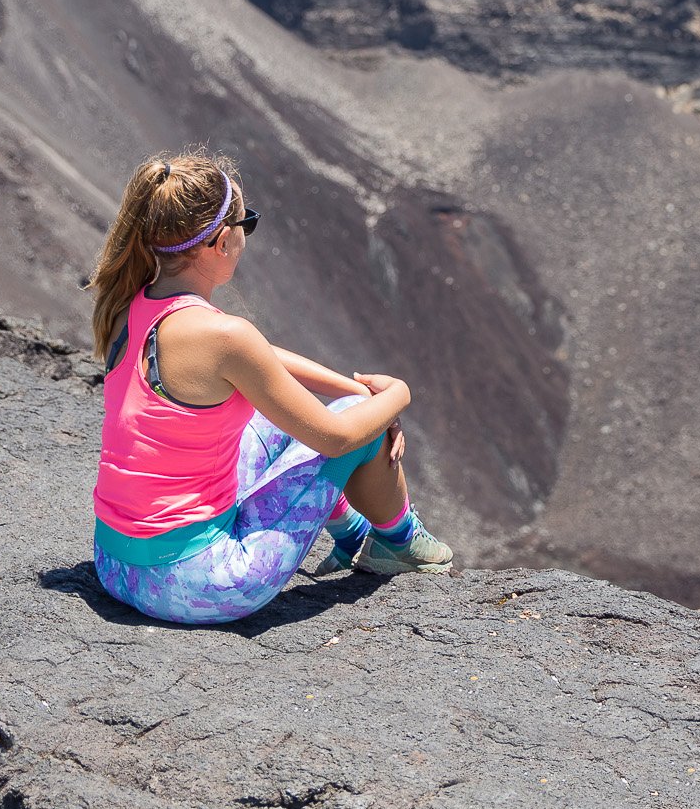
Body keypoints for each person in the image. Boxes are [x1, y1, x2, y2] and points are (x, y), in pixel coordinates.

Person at [84, 150, 452, 625]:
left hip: (116, 565)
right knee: (358, 428)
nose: (245, 235)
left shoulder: (130, 305)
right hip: (196, 583)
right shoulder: (223, 337)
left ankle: (353, 532)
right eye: (245, 223)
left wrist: (355, 391)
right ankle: (399, 543)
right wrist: (396, 394)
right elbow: (332, 438)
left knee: (292, 411)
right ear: (220, 241)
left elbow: (262, 358)